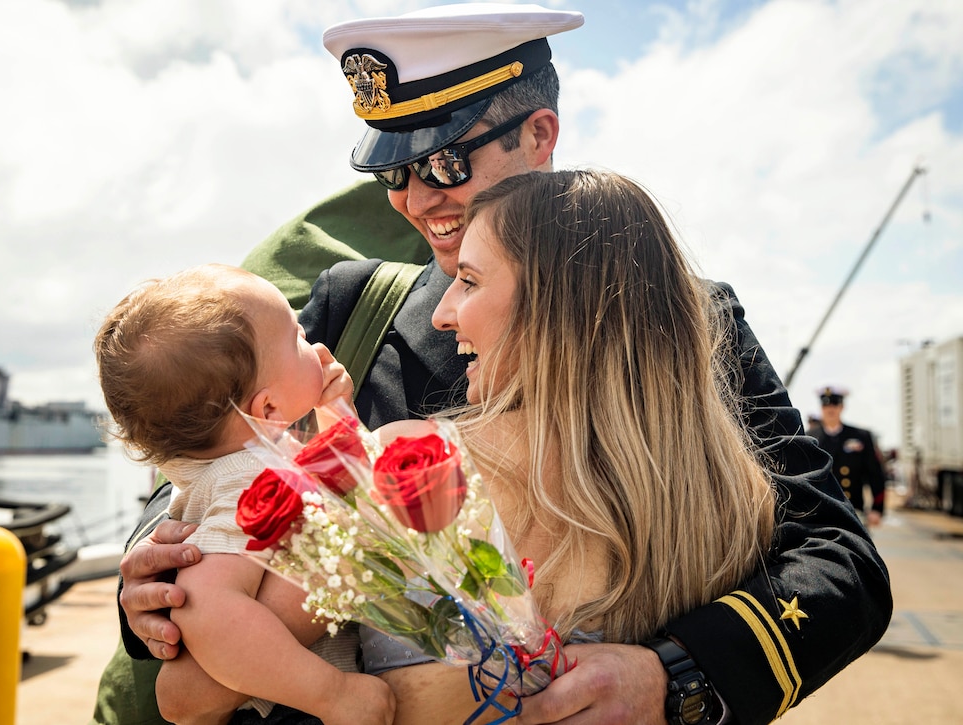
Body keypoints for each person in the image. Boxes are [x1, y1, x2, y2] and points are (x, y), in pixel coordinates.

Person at [106, 5, 892, 724]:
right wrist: (154, 580)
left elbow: (838, 559)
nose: (418, 199)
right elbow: (213, 446)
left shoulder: (688, 320)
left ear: (540, 135)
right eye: (394, 173)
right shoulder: (352, 305)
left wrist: (672, 675)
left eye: (446, 160)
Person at [359, 168, 776, 723]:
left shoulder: (416, 462)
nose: (442, 313)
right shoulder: (735, 499)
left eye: (470, 281)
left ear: (554, 306)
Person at [94, 264, 393, 725]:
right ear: (269, 406)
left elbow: (341, 483)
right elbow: (209, 610)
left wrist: (337, 416)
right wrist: (332, 695)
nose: (312, 344)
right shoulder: (248, 475)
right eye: (297, 336)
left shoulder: (248, 460)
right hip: (290, 709)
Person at [811, 386, 887, 527]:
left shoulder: (860, 436)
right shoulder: (809, 437)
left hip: (853, 511)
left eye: (835, 404)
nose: (830, 409)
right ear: (821, 408)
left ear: (842, 407)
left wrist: (877, 509)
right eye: (826, 405)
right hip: (819, 513)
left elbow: (875, 474)